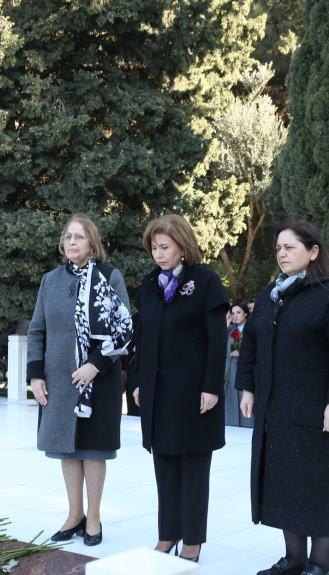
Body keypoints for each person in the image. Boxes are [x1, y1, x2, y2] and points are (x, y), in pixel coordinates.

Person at [237, 223, 329, 575]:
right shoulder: (270, 295)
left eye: (290, 247)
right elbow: (251, 344)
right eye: (278, 247)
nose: (281, 253)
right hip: (277, 414)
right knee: (284, 486)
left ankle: (319, 563)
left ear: (313, 251)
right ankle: (294, 560)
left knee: (319, 486)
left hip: (318, 415)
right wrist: (248, 388)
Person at [26, 214, 132, 547]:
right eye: (68, 237)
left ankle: (94, 517)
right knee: (67, 451)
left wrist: (94, 365)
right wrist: (35, 375)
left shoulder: (109, 277)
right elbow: (36, 331)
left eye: (80, 237)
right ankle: (74, 515)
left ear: (92, 244)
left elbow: (124, 328)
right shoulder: (50, 280)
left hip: (98, 381)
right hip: (58, 381)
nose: (73, 242)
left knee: (93, 450)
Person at [130, 214, 228, 563]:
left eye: (164, 246)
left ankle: (192, 542)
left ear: (183, 246)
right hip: (159, 393)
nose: (158, 253)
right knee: (166, 467)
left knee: (194, 470)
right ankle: (167, 535)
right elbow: (141, 340)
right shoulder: (149, 286)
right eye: (154, 247)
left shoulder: (206, 283)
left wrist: (212, 387)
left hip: (194, 392)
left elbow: (218, 342)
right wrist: (138, 381)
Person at [224, 301, 253, 428]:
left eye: (239, 313)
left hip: (245, 370)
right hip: (229, 370)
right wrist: (224, 327)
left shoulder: (252, 329)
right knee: (230, 397)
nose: (235, 316)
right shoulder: (230, 329)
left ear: (246, 313)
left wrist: (242, 353)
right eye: (233, 313)